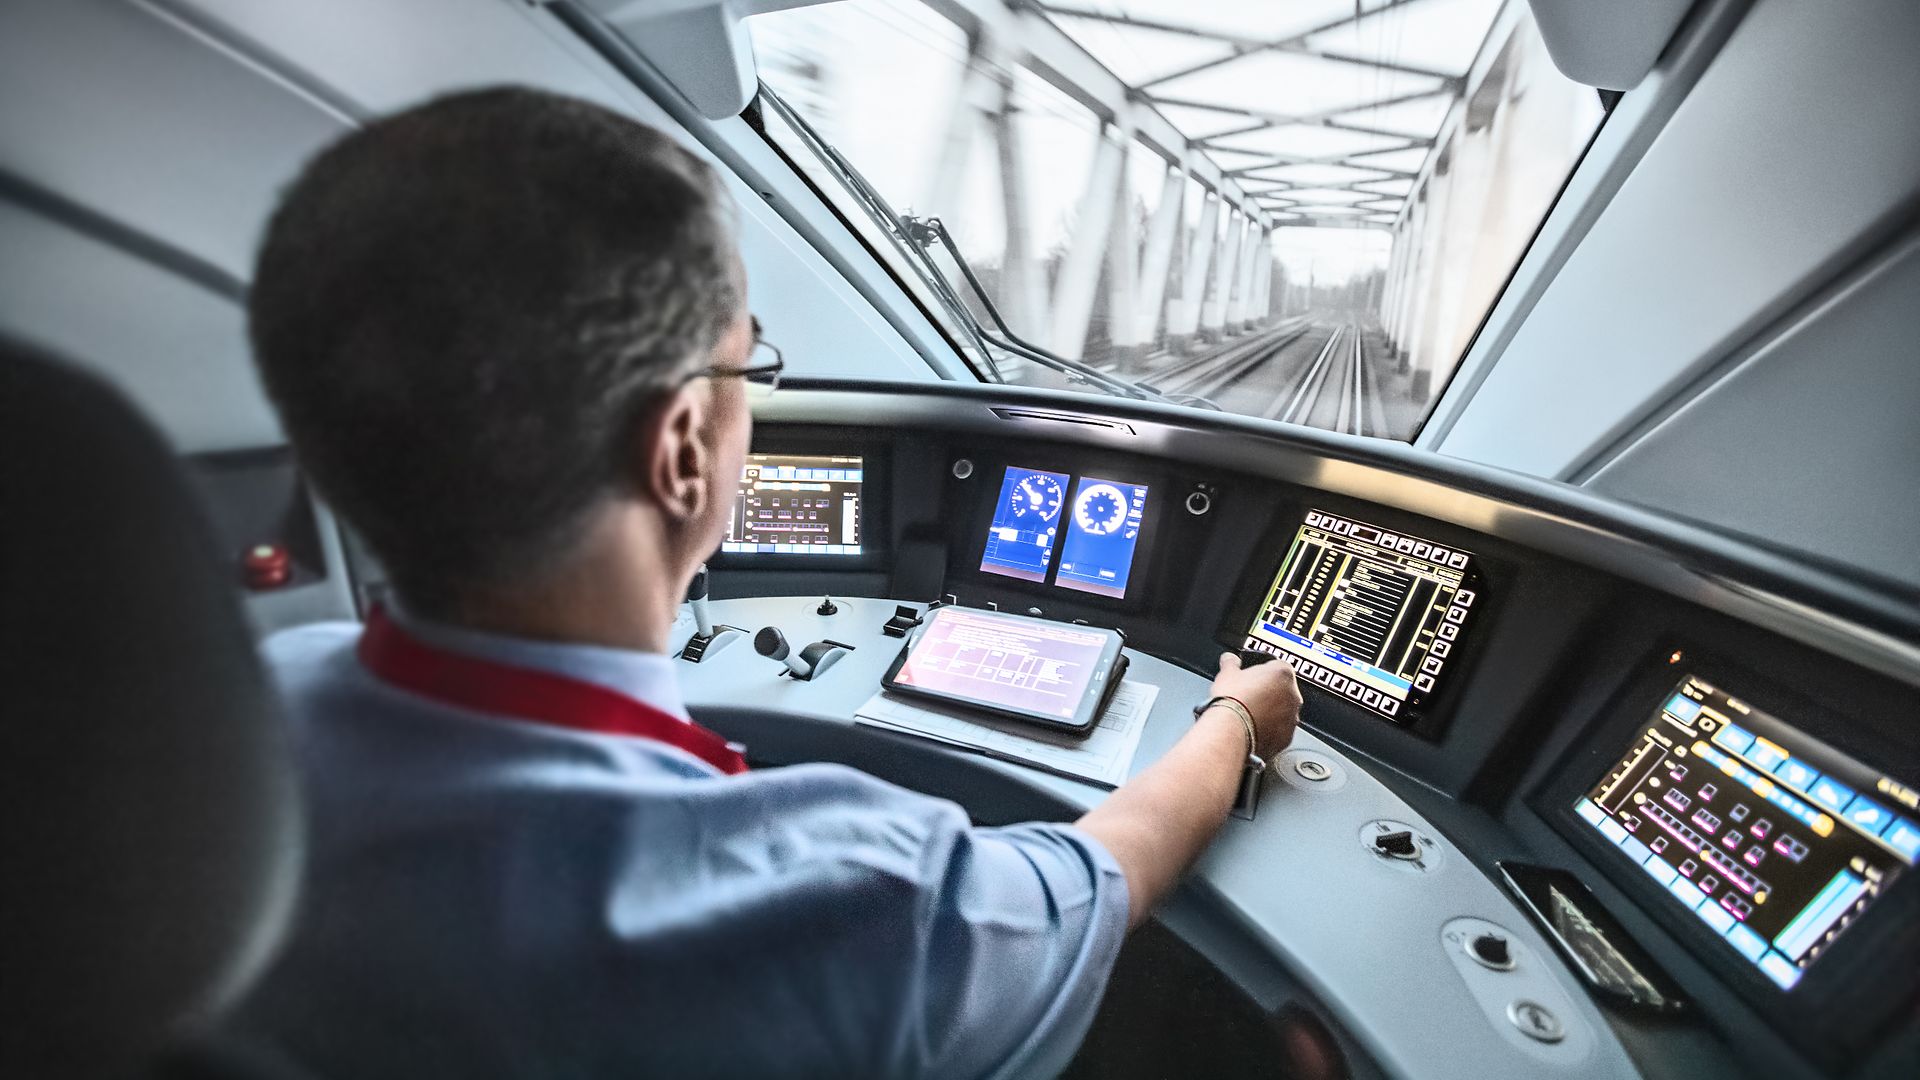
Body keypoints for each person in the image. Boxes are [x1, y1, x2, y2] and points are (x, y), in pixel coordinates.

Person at [233, 87, 1301, 1078]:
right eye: (752, 364)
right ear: (684, 447)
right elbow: (1101, 881)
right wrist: (1235, 725)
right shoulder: (838, 899)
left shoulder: (237, 712)